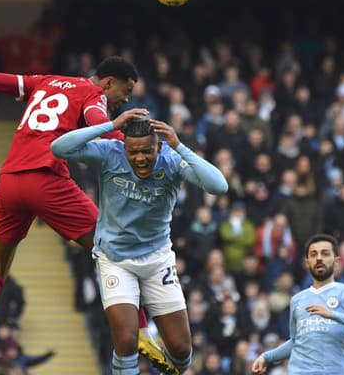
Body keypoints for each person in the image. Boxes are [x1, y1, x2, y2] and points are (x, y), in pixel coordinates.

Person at [0, 57, 158, 375]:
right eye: (126, 90)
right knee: (114, 251)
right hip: (46, 179)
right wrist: (143, 147)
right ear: (108, 82)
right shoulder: (93, 96)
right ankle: (143, 333)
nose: (126, 99)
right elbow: (97, 124)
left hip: (9, 180)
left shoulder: (45, 81)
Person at [51, 114, 228, 375]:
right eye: (133, 152)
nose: (140, 158)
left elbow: (219, 186)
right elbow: (59, 148)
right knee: (126, 341)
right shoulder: (109, 153)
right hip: (115, 260)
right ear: (124, 147)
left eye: (147, 151)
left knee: (180, 352)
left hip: (157, 260)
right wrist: (111, 126)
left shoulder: (171, 159)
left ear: (158, 146)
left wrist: (178, 145)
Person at [251, 233, 344, 375]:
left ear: (336, 261)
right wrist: (266, 357)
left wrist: (332, 315)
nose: (319, 258)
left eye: (325, 254)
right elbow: (296, 341)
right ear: (307, 263)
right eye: (313, 254)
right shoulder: (297, 299)